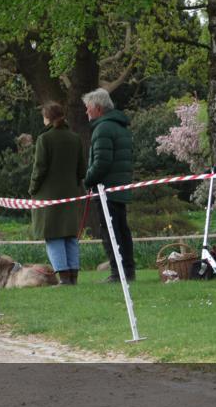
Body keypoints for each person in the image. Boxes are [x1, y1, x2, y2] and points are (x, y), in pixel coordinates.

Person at [82, 88, 136, 283]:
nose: (86, 112)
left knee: (110, 232)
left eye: (88, 108)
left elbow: (101, 162)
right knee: (122, 230)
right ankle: (128, 271)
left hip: (107, 189)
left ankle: (118, 272)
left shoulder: (103, 128)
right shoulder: (120, 127)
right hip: (120, 187)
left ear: (97, 108)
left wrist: (87, 179)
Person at [30, 102, 87, 286]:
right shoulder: (75, 138)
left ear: (47, 117)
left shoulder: (44, 139)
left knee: (53, 235)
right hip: (71, 193)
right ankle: (73, 277)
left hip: (49, 196)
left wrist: (32, 188)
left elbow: (39, 169)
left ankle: (63, 278)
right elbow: (82, 170)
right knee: (70, 235)